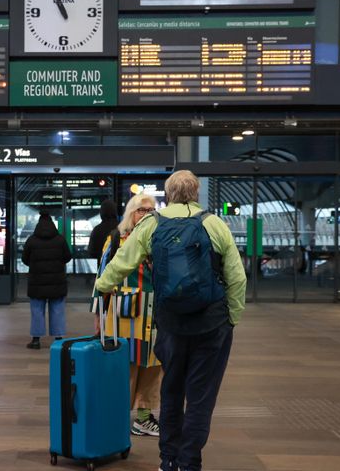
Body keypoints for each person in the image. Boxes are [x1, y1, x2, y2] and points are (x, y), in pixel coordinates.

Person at [95, 170, 247, 471]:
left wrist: (102, 287)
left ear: (169, 194)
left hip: (170, 324)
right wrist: (232, 318)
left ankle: (168, 459)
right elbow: (237, 278)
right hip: (211, 325)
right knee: (201, 398)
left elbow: (121, 263)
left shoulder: (152, 224)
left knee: (171, 391)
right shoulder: (214, 224)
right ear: (196, 193)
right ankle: (190, 462)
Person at [92, 193, 162, 438]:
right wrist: (98, 316)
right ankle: (116, 416)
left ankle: (143, 418)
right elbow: (102, 277)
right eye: (141, 210)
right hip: (124, 315)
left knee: (154, 366)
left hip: (154, 314)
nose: (147, 214)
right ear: (131, 214)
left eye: (151, 210)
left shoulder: (160, 239)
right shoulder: (116, 239)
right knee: (123, 366)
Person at [22, 211, 72, 349]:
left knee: (37, 310)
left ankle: (36, 340)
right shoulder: (60, 240)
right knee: (57, 309)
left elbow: (24, 259)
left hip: (37, 282)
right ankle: (58, 338)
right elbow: (68, 257)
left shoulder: (31, 240)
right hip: (57, 281)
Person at [88, 199, 118, 267]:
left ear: (101, 212)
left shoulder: (97, 230)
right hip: (120, 270)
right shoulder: (122, 228)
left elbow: (91, 252)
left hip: (103, 268)